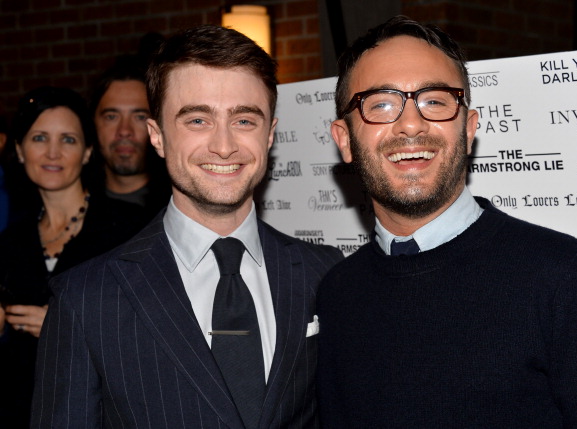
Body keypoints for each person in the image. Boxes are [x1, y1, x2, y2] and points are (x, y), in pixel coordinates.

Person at [31, 25, 344, 429]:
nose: (224, 146)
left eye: (244, 120)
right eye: (197, 120)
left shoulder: (324, 273)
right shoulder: (85, 300)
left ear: (270, 135)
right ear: (157, 137)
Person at [316, 15, 577, 428]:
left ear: (468, 129)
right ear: (345, 140)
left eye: (435, 100)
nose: (411, 124)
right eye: (381, 104)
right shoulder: (337, 292)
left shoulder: (565, 278)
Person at [0, 87, 144, 428]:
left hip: (102, 414)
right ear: (19, 149)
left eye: (68, 139)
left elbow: (154, 333)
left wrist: (66, 328)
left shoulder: (128, 229)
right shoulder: (9, 243)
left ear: (87, 151)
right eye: (39, 138)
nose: (53, 152)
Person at [89, 55, 170, 220]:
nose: (124, 131)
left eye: (140, 117)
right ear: (93, 123)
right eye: (111, 117)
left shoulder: (179, 208)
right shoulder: (75, 208)